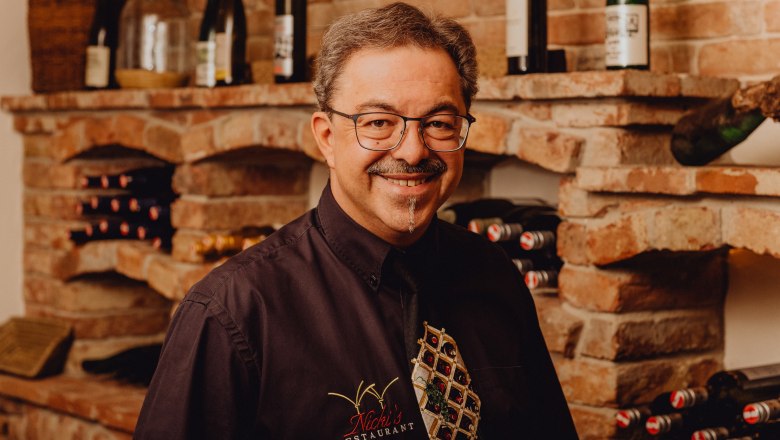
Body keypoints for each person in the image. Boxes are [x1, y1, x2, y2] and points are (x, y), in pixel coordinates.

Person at [134, 3, 578, 439]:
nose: (412, 151)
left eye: (439, 123)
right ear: (327, 137)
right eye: (379, 122)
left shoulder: (494, 273)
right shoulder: (234, 311)